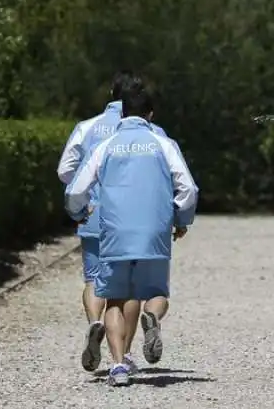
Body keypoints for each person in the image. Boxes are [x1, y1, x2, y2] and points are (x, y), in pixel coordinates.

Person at [64, 84, 198, 387]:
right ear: (150, 114)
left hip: (114, 232)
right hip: (154, 231)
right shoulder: (163, 143)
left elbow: (76, 189)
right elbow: (188, 188)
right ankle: (151, 317)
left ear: (121, 112)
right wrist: (180, 218)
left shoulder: (107, 144)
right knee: (156, 292)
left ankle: (118, 367)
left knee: (114, 299)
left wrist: (78, 213)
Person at [57, 71, 169, 373]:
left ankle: (96, 322)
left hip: (93, 214)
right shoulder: (152, 132)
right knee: (128, 289)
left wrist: (88, 194)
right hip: (132, 218)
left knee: (94, 279)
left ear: (111, 93)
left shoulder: (87, 127)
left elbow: (66, 170)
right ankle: (125, 353)